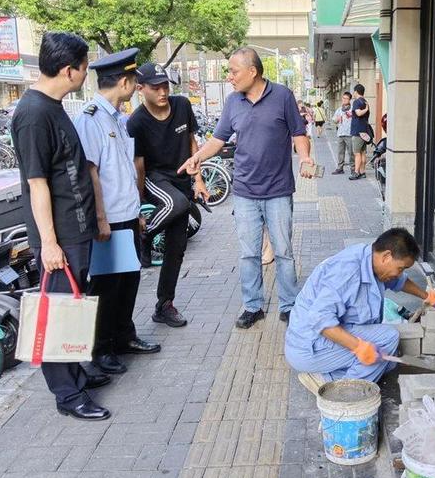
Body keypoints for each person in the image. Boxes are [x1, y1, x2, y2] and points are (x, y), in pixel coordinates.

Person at [10, 31, 110, 421]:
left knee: (71, 307)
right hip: (60, 236)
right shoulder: (33, 115)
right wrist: (49, 244)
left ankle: (75, 375)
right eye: (85, 68)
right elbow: (37, 185)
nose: (86, 74)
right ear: (70, 70)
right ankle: (68, 396)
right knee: (57, 313)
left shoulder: (53, 107)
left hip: (76, 229)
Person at [178, 47, 315, 329]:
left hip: (277, 190)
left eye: (234, 71)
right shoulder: (232, 102)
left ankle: (289, 305)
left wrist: (306, 158)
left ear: (252, 71)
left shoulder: (282, 96)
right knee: (249, 253)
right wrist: (197, 157)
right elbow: (218, 140)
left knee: (283, 251)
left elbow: (298, 133)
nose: (230, 77)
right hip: (244, 192)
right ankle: (253, 306)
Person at [73, 48, 161, 375]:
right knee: (106, 288)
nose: (136, 85)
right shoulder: (90, 118)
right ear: (124, 81)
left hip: (126, 215)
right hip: (107, 219)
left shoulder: (118, 117)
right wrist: (99, 218)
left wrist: (137, 211)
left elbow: (124, 169)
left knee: (129, 280)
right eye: (134, 80)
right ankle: (101, 348)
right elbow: (91, 171)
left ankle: (125, 336)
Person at [285, 228, 435, 393]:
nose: (400, 273)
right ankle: (344, 393)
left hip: (323, 337)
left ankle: (327, 376)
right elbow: (321, 321)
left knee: (386, 362)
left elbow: (399, 282)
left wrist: (427, 296)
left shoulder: (371, 259)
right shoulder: (348, 273)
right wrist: (358, 347)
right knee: (388, 339)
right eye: (401, 268)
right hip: (309, 345)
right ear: (386, 256)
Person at [128, 63, 209, 328]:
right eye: (155, 87)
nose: (163, 92)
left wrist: (198, 179)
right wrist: (140, 204)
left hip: (182, 178)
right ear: (141, 90)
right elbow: (138, 164)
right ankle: (144, 235)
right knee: (177, 203)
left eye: (165, 86)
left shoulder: (182, 105)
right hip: (155, 179)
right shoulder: (136, 121)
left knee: (176, 250)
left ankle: (164, 306)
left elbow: (191, 144)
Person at [350, 83, 371, 180]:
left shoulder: (357, 102)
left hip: (358, 131)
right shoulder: (365, 101)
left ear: (356, 92)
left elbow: (358, 113)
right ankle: (363, 172)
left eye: (354, 92)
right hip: (364, 131)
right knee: (362, 152)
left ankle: (356, 172)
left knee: (357, 153)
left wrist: (365, 110)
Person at [332, 92, 353, 175]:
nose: (344, 100)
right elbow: (334, 120)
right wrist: (336, 119)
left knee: (351, 152)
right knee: (340, 152)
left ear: (349, 100)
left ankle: (353, 168)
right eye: (343, 98)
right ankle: (340, 168)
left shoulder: (352, 109)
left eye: (346, 98)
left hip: (349, 134)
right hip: (340, 133)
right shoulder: (339, 109)